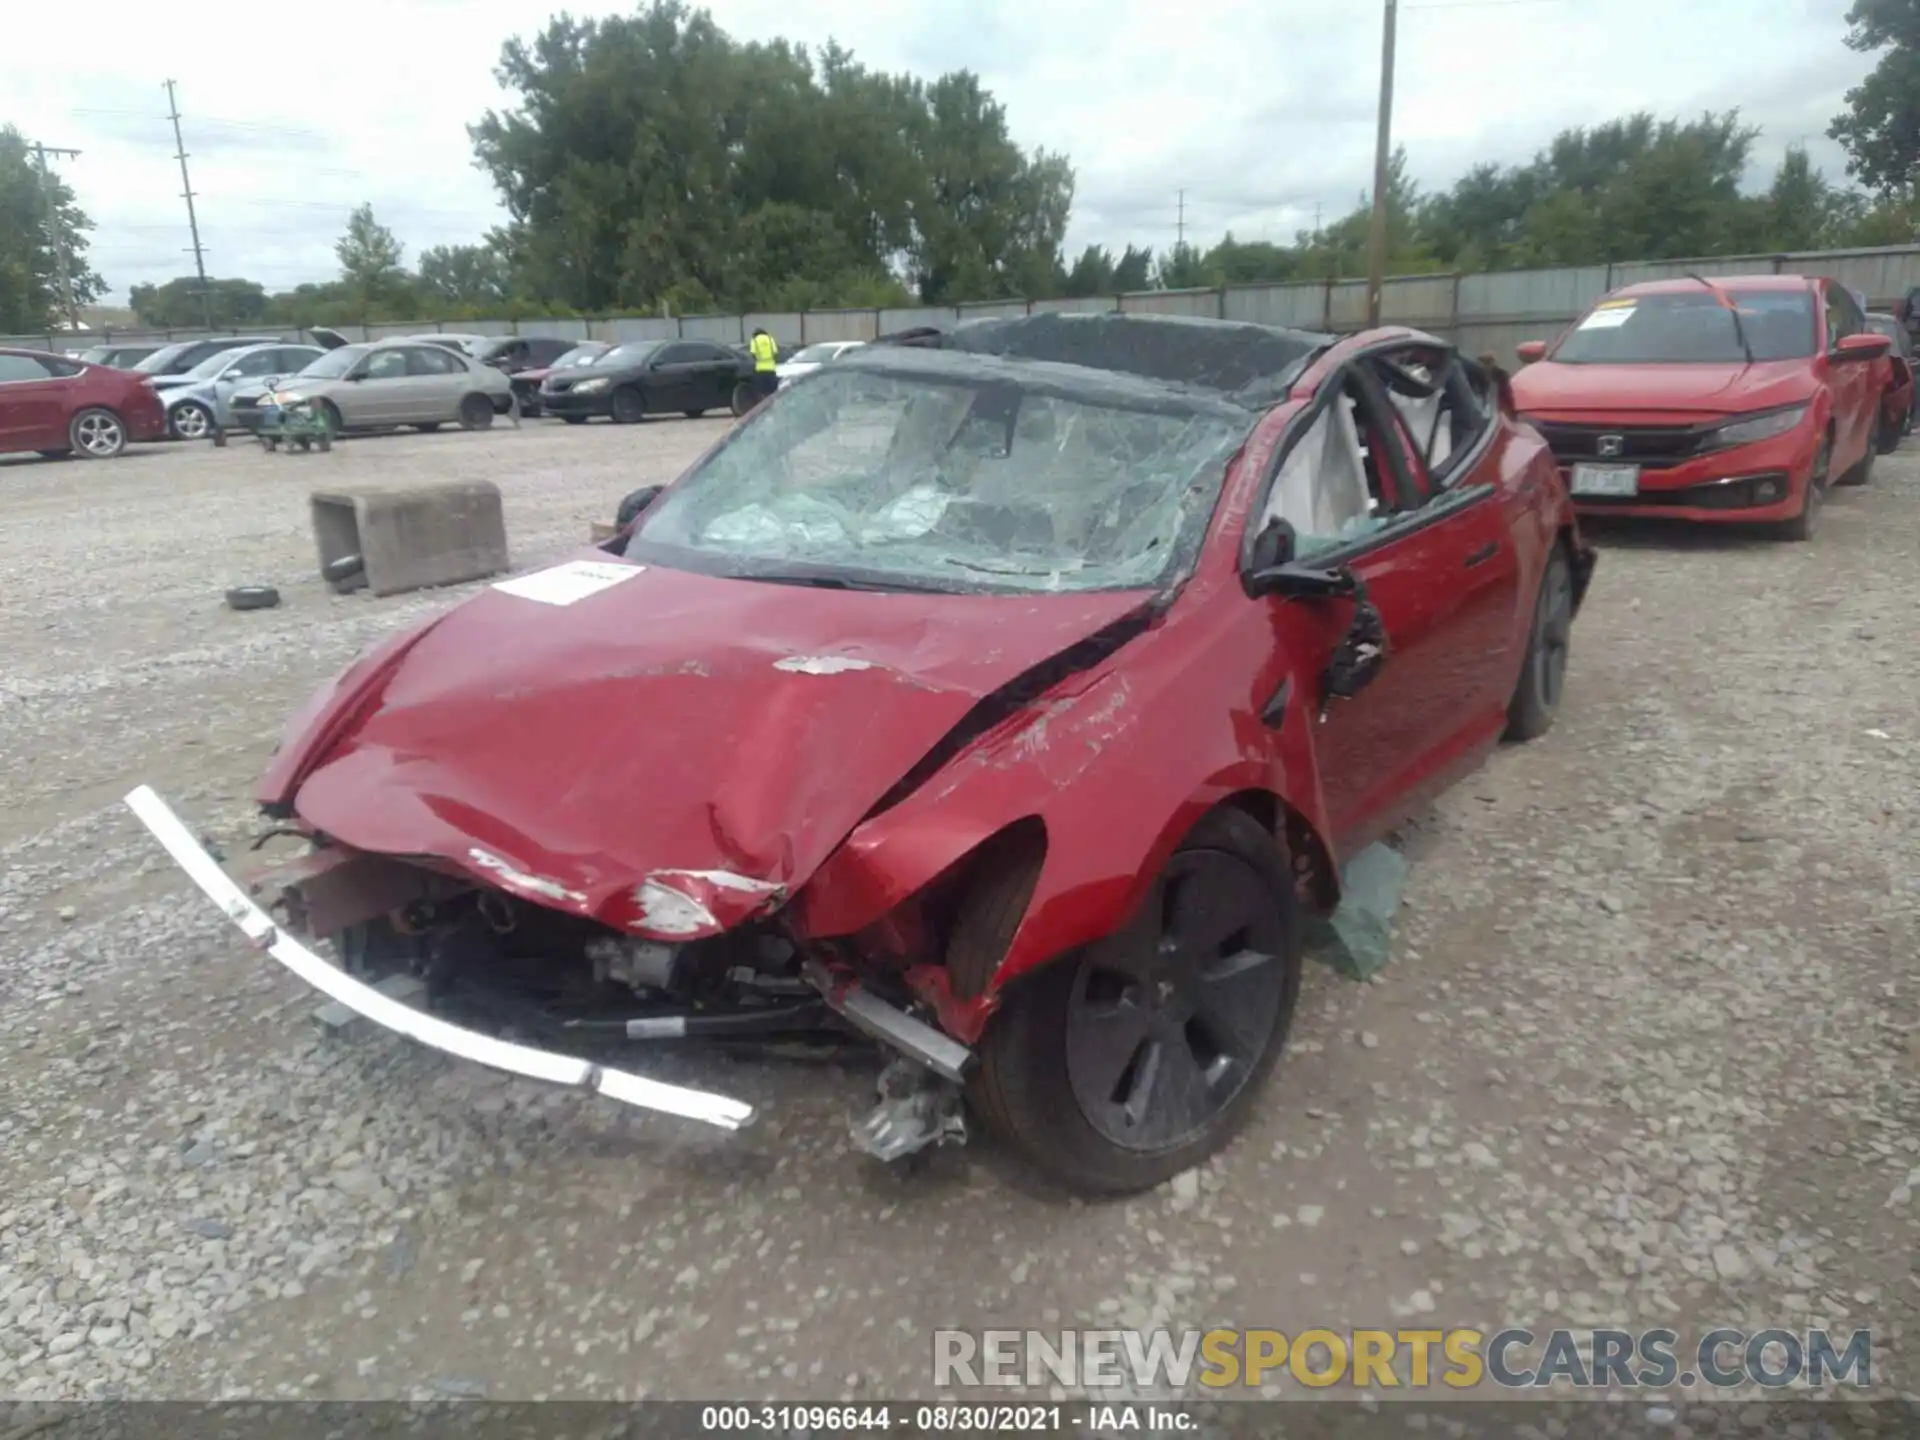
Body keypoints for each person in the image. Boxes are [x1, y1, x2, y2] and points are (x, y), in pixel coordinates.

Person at [749, 327, 780, 403]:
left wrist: (759, 360)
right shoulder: (770, 339)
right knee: (772, 391)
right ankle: (772, 404)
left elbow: (753, 354)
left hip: (760, 369)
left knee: (760, 391)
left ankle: (763, 406)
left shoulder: (754, 340)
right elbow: (775, 353)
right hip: (771, 369)